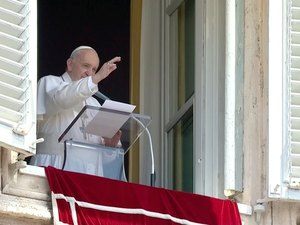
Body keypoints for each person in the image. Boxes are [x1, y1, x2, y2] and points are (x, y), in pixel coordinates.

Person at [30, 46, 123, 176]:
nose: (90, 73)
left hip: (89, 176)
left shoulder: (94, 103)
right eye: (86, 66)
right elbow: (63, 98)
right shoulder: (49, 83)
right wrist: (97, 78)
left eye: (94, 69)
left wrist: (109, 147)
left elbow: (104, 159)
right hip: (53, 169)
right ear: (70, 64)